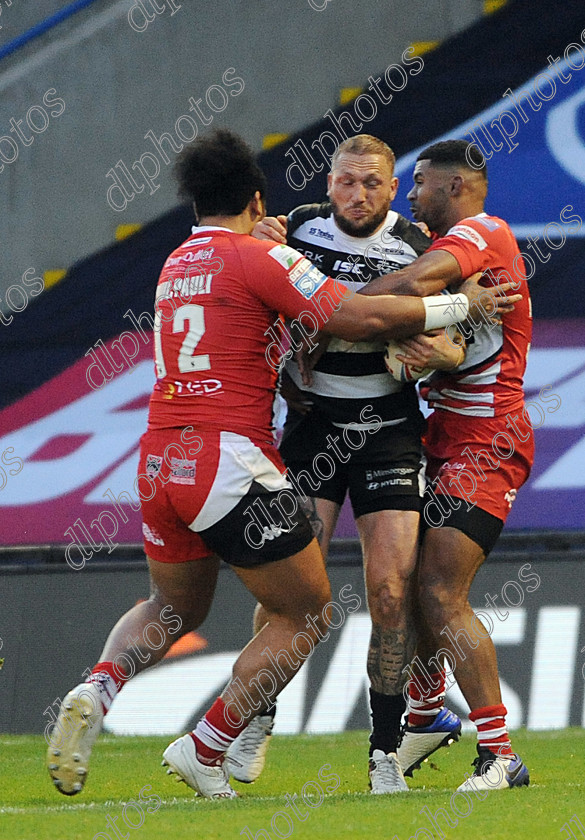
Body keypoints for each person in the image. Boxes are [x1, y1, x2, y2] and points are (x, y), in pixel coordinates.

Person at [46, 130, 489, 800]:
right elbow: (356, 316)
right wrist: (460, 304)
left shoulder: (175, 261)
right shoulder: (261, 254)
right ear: (258, 199)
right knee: (308, 612)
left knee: (172, 606)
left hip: (159, 458)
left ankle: (98, 686)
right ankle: (210, 742)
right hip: (228, 461)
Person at [226, 134, 464, 795]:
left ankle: (383, 753)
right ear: (326, 183)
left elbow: (454, 342)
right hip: (312, 428)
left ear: (392, 190)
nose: (355, 195)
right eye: (345, 182)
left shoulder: (417, 249)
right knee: (289, 590)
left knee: (391, 593)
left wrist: (432, 352)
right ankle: (257, 716)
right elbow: (255, 304)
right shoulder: (294, 229)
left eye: (370, 184)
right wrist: (280, 366)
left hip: (387, 432)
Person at [359, 139, 533, 791]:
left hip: (487, 439)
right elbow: (451, 340)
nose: (408, 194)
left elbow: (409, 289)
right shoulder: (457, 253)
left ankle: (499, 756)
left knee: (438, 590)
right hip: (445, 437)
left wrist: (350, 314)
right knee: (409, 587)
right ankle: (427, 717)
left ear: (454, 185)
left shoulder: (481, 232)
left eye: (419, 182)